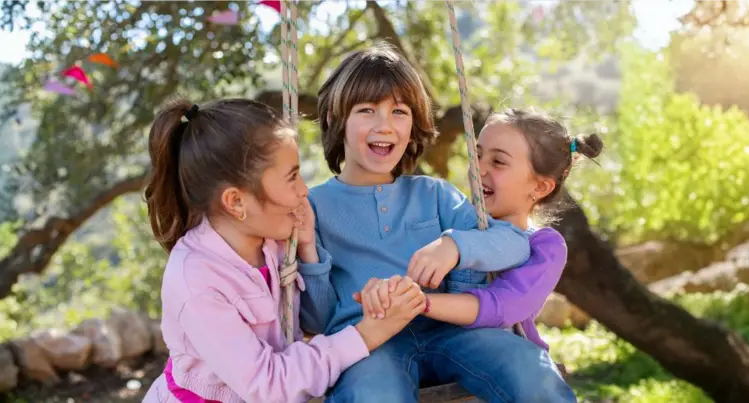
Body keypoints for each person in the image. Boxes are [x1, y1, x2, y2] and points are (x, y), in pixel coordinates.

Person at [297, 43, 575, 402]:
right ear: (336, 120)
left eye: (398, 111)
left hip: (452, 332)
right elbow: (317, 321)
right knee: (371, 393)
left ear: (412, 125)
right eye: (367, 110)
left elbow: (514, 242)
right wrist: (307, 249)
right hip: (369, 341)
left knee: (527, 367)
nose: (385, 125)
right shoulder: (314, 207)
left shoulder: (435, 195)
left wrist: (454, 246)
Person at [141, 98, 427, 403]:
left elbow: (314, 323)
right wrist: (367, 334)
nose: (304, 190)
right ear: (236, 202)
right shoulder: (196, 281)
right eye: (292, 177)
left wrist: (306, 249)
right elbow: (270, 386)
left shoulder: (273, 242)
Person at [359, 107, 604, 382]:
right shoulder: (453, 222)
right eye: (477, 154)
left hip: (502, 364)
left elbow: (501, 307)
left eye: (498, 162)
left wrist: (420, 302)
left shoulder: (545, 247)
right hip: (437, 355)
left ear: (540, 187)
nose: (479, 168)